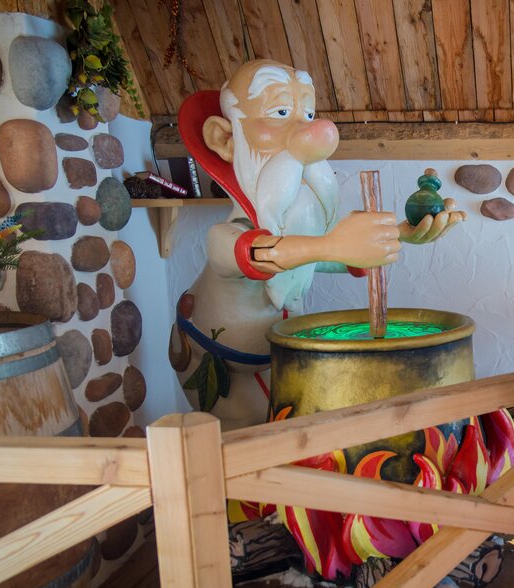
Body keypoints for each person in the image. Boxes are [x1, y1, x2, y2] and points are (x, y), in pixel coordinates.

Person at [170, 59, 464, 429]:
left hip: (279, 359)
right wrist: (334, 245)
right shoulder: (227, 237)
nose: (309, 132)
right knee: (255, 450)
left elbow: (312, 257)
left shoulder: (299, 230)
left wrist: (401, 233)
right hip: (217, 364)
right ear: (225, 140)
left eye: (307, 113)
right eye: (280, 112)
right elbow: (264, 255)